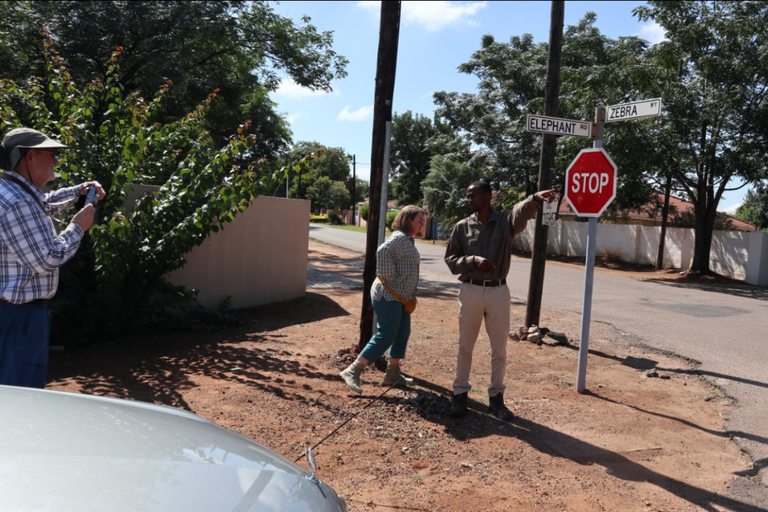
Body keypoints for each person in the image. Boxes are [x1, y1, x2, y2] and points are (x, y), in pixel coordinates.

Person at [0, 127, 105, 388]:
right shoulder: (18, 202)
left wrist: (79, 191)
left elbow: (42, 204)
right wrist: (78, 227)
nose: (56, 161)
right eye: (51, 153)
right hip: (19, 319)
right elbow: (45, 259)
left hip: (13, 315)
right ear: (29, 157)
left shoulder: (13, 193)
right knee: (21, 395)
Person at [444, 181, 555, 420]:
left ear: (488, 196)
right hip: (471, 291)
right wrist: (472, 260)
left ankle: (496, 399)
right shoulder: (462, 227)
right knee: (465, 346)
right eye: (467, 195)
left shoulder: (505, 222)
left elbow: (521, 211)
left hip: (498, 292)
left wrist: (535, 198)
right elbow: (451, 260)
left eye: (473, 195)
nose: (469, 199)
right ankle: (460, 394)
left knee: (499, 349)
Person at [339, 205, 426, 392]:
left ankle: (392, 373)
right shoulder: (400, 238)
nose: (422, 225)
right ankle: (353, 370)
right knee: (386, 335)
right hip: (387, 296)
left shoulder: (409, 240)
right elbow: (382, 252)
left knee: (402, 334)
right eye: (420, 221)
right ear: (408, 219)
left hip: (400, 298)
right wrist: (390, 277)